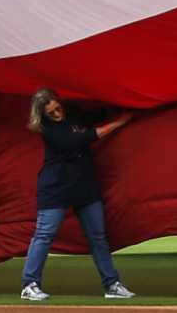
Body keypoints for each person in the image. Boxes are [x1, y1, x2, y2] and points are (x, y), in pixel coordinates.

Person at [19, 89, 134, 302]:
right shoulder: (48, 130)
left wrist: (123, 101)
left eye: (57, 108)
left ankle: (112, 284)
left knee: (98, 237)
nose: (56, 113)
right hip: (56, 187)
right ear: (42, 115)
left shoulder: (73, 114)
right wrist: (120, 123)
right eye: (50, 112)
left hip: (85, 186)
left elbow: (96, 115)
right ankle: (29, 284)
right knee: (44, 235)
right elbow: (81, 139)